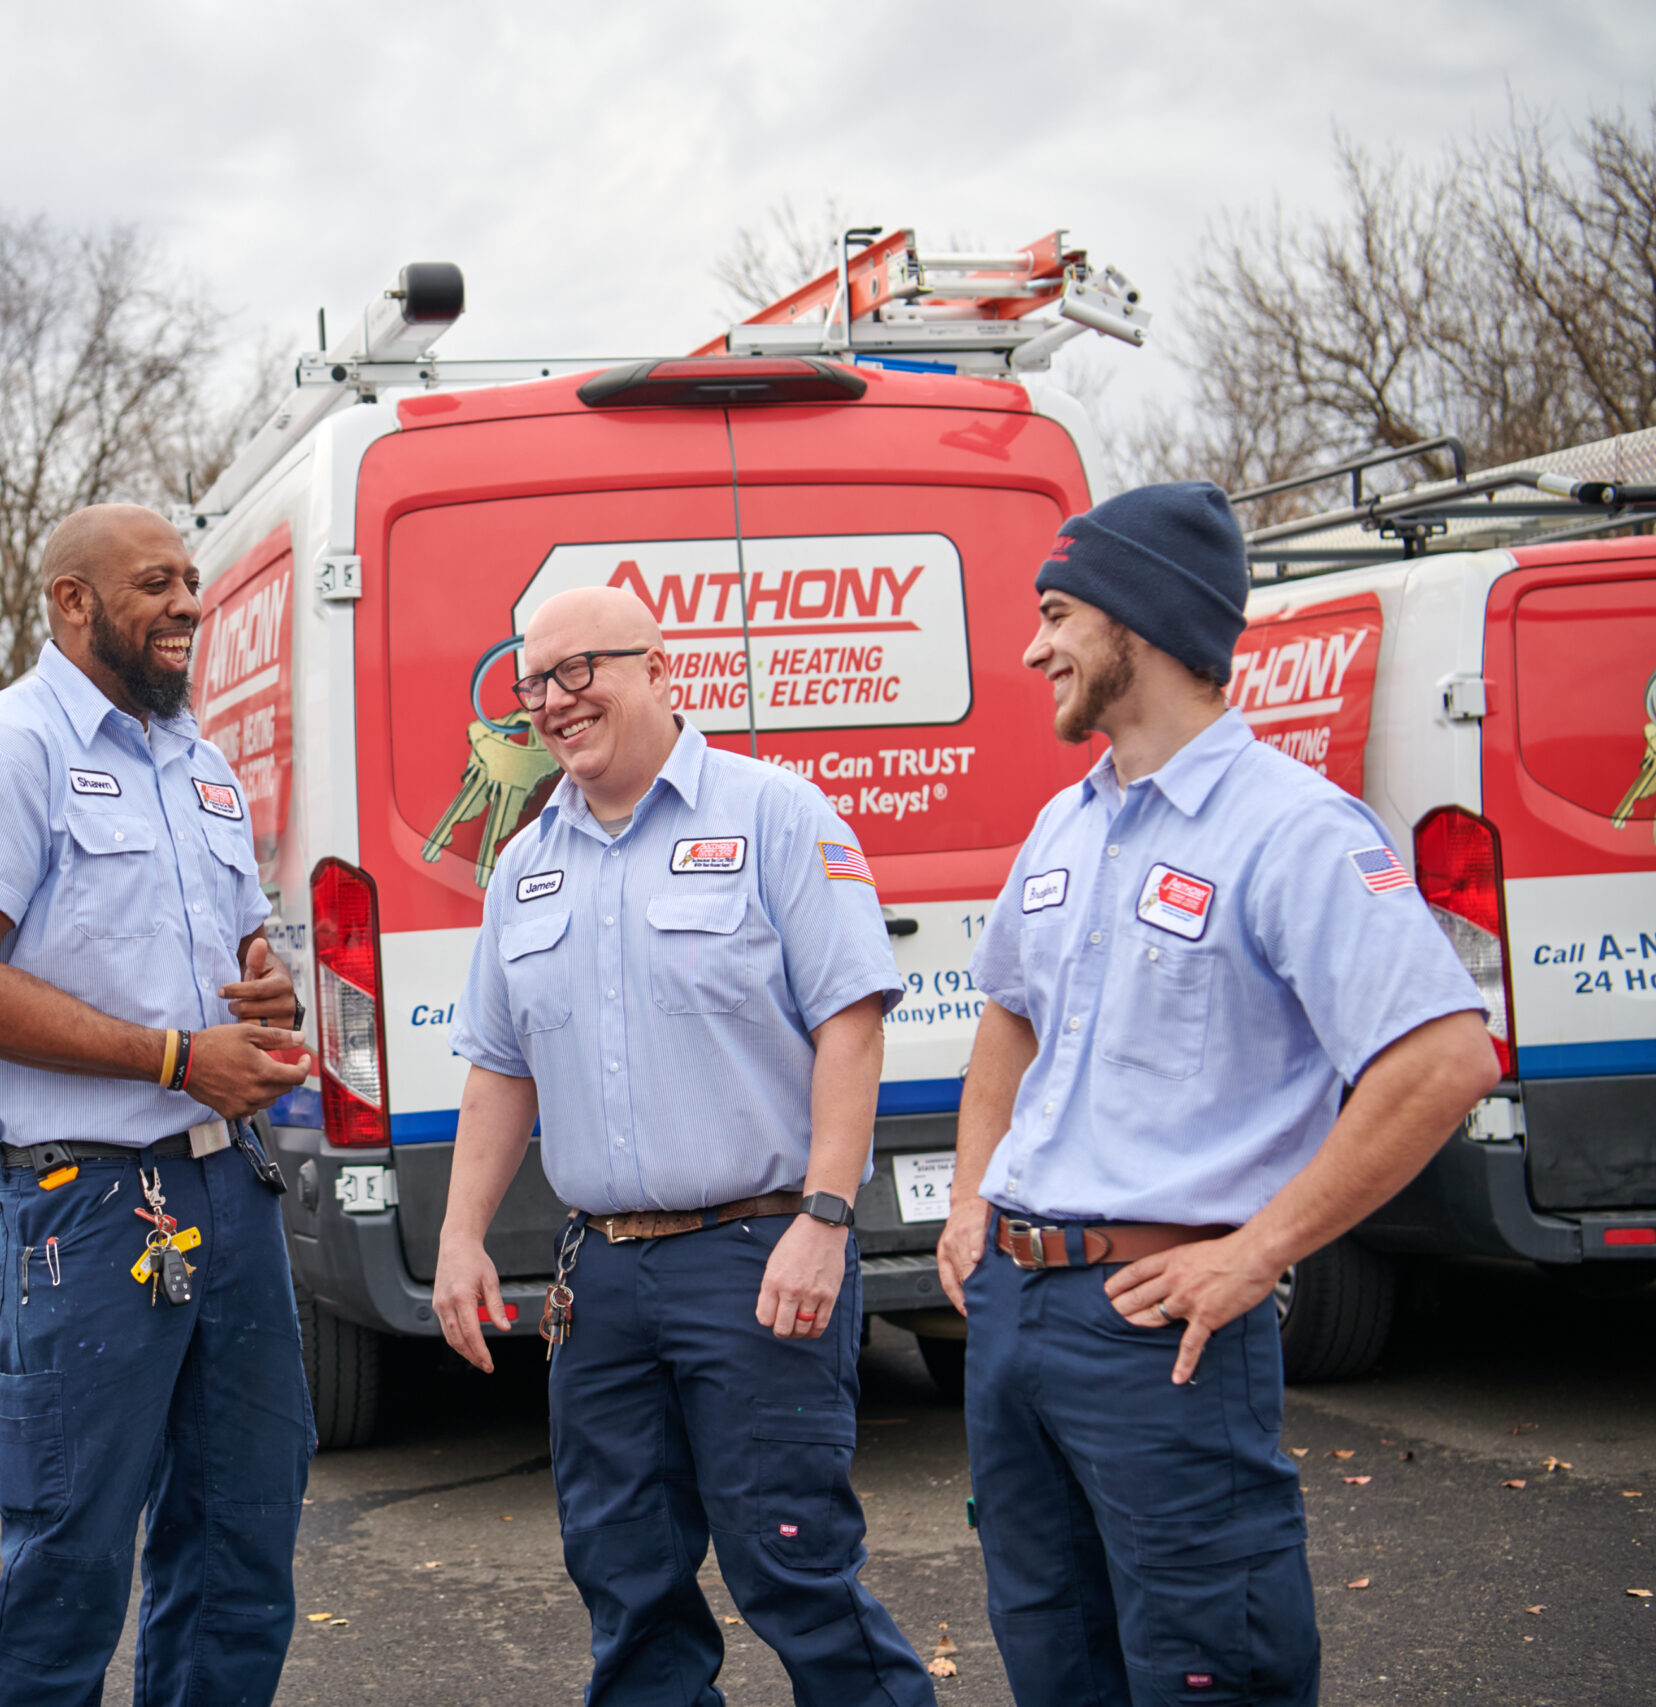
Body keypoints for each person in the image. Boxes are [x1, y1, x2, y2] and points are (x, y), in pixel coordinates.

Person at [935, 482, 1501, 1705]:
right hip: (1017, 1319)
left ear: (1139, 625)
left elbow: (1443, 1059)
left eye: (1058, 613)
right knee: (1052, 1654)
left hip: (1160, 1329)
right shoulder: (1065, 828)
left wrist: (1257, 1253)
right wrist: (973, 1199)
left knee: (1209, 1665)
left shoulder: (1290, 830)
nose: (1033, 646)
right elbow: (1008, 1016)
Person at [433, 586, 937, 1707]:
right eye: (534, 685)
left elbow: (850, 1025)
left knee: (792, 1566)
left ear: (665, 670)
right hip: (601, 1277)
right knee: (625, 1582)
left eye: (581, 672)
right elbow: (500, 1069)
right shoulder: (524, 867)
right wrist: (463, 1235)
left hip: (756, 1260)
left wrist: (824, 1219)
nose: (556, 704)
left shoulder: (775, 816)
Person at [0, 503, 317, 1707]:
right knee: (71, 1563)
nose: (189, 603)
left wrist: (267, 988)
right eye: (156, 582)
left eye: (192, 580)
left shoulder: (199, 764)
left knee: (242, 1540)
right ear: (72, 602)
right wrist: (177, 1058)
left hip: (225, 1191)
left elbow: (239, 951)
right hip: (90, 1206)